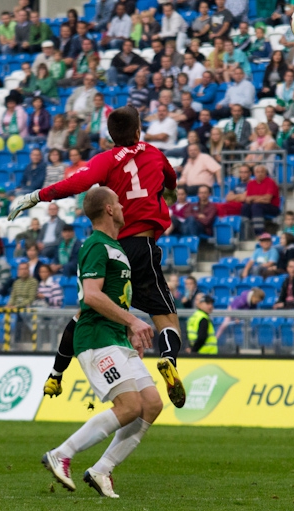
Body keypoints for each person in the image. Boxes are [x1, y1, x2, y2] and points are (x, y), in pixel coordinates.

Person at [11, 105, 186, 408]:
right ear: (138, 130)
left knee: (86, 312)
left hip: (113, 248)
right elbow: (171, 181)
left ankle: (56, 373)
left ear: (109, 135)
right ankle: (169, 360)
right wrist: (163, 192)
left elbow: (76, 184)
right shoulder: (154, 153)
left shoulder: (104, 160)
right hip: (142, 246)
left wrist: (36, 196)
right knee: (167, 319)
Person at [41, 185, 161, 499]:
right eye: (118, 202)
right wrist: (134, 320)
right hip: (96, 338)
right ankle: (62, 453)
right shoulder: (97, 245)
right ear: (109, 209)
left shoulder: (113, 246)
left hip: (116, 336)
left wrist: (130, 330)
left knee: (151, 404)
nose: (123, 206)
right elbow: (91, 296)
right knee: (129, 406)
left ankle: (101, 469)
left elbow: (113, 298)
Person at [241, 164, 280, 236]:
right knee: (246, 206)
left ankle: (260, 233)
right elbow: (248, 199)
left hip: (272, 207)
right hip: (258, 205)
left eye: (262, 172)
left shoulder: (270, 182)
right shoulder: (251, 183)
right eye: (258, 172)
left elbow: (268, 199)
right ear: (254, 173)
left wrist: (253, 198)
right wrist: (260, 198)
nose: (260, 174)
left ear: (265, 173)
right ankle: (245, 231)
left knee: (256, 206)